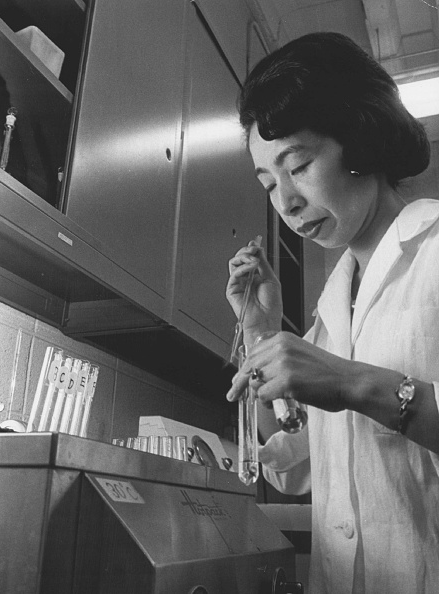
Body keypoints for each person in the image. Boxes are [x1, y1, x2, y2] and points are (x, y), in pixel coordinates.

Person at [225, 32, 439, 594]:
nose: (286, 202)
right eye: (268, 183)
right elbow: (294, 466)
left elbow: (353, 391)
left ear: (359, 136)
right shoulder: (331, 312)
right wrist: (260, 333)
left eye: (298, 165)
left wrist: (352, 383)